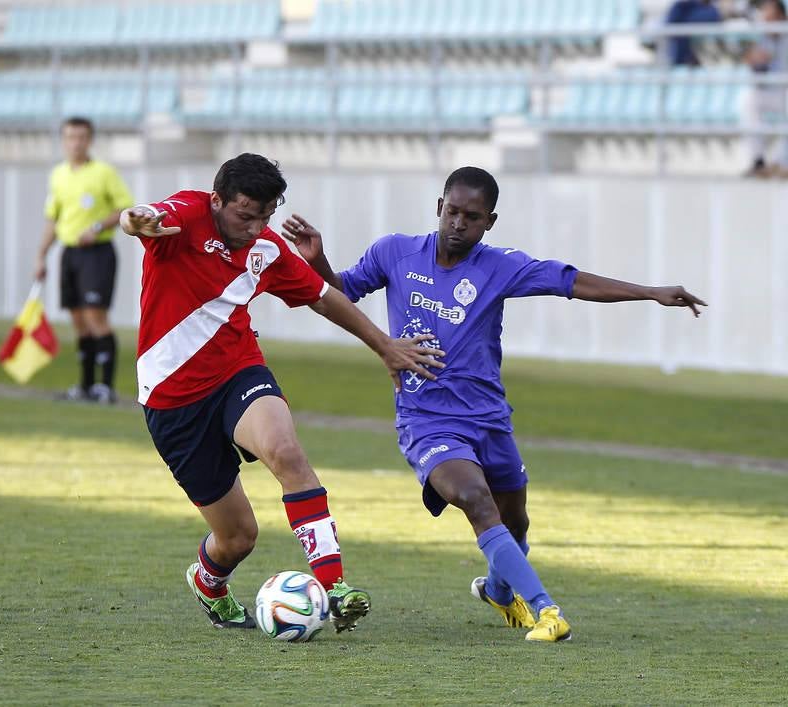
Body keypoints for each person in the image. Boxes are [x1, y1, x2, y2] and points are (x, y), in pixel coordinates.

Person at [282, 166, 707, 643]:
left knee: (515, 520)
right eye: (453, 211)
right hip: (426, 419)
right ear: (438, 207)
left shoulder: (499, 266)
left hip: (488, 417)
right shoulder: (394, 252)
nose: (459, 222)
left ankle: (500, 591)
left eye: (472, 216)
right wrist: (316, 262)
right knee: (473, 498)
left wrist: (649, 293)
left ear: (490, 222)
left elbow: (571, 282)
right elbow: (340, 291)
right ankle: (546, 610)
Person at [119, 153, 444, 632]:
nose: (255, 227)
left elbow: (323, 297)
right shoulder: (186, 214)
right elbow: (141, 218)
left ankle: (335, 587)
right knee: (238, 538)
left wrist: (384, 346)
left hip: (237, 371)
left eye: (265, 217)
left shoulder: (266, 248)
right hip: (172, 400)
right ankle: (209, 581)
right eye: (245, 215)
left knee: (286, 451)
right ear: (217, 200)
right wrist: (135, 221)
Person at [34, 116, 133, 403]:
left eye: (81, 137)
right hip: (70, 254)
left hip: (97, 254)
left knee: (95, 316)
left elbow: (125, 208)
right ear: (64, 140)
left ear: (89, 140)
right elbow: (52, 219)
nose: (75, 143)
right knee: (78, 319)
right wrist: (41, 256)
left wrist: (98, 227)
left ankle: (106, 387)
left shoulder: (104, 173)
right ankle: (86, 386)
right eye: (70, 137)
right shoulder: (58, 175)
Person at [741, 0, 788, 177]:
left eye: (771, 16)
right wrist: (755, 59)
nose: (767, 20)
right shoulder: (763, 38)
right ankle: (758, 161)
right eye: (765, 16)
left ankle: (782, 163)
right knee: (748, 100)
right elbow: (753, 67)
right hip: (771, 92)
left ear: (783, 17)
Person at [664, 1, 722, 66]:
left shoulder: (710, 10)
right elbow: (668, 25)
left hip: (702, 60)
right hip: (679, 59)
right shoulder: (679, 7)